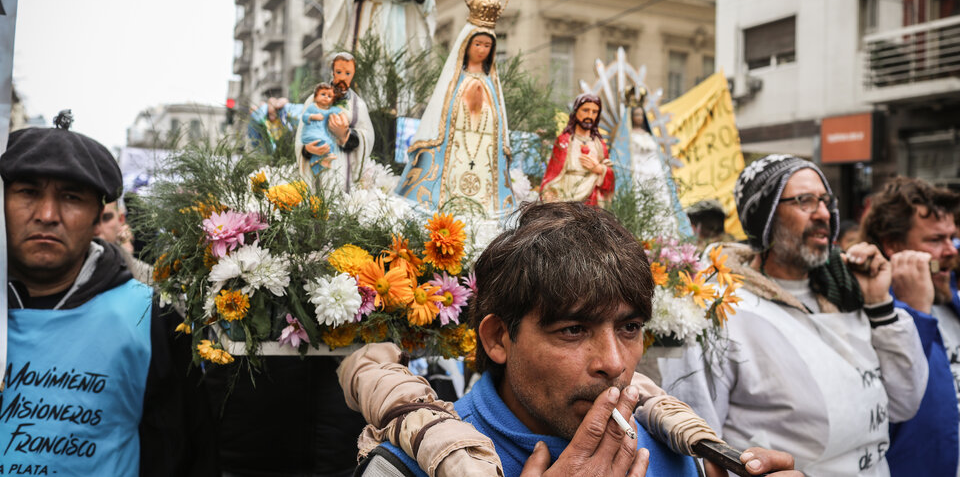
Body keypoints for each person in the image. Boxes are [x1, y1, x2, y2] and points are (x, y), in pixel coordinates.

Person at [347, 202, 800, 477]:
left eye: (629, 328)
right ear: (498, 338)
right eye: (573, 330)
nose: (614, 362)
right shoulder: (413, 465)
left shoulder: (674, 447)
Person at [659, 154, 928, 476]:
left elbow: (904, 403)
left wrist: (880, 305)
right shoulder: (717, 308)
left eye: (826, 201)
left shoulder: (846, 291)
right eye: (804, 201)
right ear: (766, 217)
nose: (823, 214)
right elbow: (695, 446)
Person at [0, 119, 215, 476]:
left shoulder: (149, 317)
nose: (47, 215)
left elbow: (184, 453)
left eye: (71, 198)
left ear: (98, 216)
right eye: (28, 192)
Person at [858, 176, 960, 476]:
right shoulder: (868, 314)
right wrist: (914, 311)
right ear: (891, 245)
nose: (951, 249)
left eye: (951, 237)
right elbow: (897, 405)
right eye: (934, 240)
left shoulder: (951, 300)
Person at [396, 0, 514, 216]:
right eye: (478, 43)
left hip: (482, 155)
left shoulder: (492, 85)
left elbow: (497, 125)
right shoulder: (453, 83)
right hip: (454, 153)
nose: (482, 49)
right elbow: (441, 117)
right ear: (467, 44)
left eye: (487, 45)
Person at [296, 52, 374, 192]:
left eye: (348, 73)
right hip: (318, 165)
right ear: (332, 72)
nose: (343, 78)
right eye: (339, 72)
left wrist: (345, 135)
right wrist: (307, 149)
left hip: (344, 169)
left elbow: (368, 136)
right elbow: (301, 136)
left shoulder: (358, 106)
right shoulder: (313, 102)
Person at [540, 94, 614, 207]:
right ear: (576, 112)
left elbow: (610, 178)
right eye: (585, 110)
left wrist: (600, 169)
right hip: (567, 193)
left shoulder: (599, 144)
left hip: (592, 199)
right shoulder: (564, 141)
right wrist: (550, 194)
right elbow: (552, 174)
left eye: (595, 112)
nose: (590, 115)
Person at [301, 82, 343, 173]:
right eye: (323, 94)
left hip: (321, 133)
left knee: (329, 143)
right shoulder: (312, 107)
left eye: (329, 96)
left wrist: (341, 114)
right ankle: (321, 161)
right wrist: (313, 116)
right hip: (311, 133)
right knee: (324, 142)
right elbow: (304, 117)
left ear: (332, 101)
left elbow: (337, 111)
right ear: (315, 97)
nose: (325, 97)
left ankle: (322, 162)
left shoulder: (328, 110)